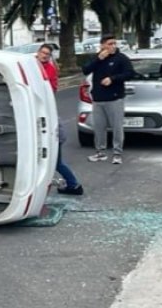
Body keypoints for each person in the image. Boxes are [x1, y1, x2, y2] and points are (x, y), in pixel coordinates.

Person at [82, 35, 134, 165]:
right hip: (98, 98)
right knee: (99, 127)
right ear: (102, 45)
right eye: (110, 43)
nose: (113, 46)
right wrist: (98, 59)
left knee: (117, 127)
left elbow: (129, 73)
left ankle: (117, 153)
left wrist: (113, 78)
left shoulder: (121, 58)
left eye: (114, 43)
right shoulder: (97, 58)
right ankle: (100, 152)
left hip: (115, 98)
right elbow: (85, 70)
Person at [37, 44, 82, 195]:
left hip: (54, 134)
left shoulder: (48, 70)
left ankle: (74, 185)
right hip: (53, 131)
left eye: (47, 54)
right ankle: (71, 184)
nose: (44, 56)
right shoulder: (35, 65)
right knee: (55, 163)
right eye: (42, 53)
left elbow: (49, 87)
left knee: (56, 163)